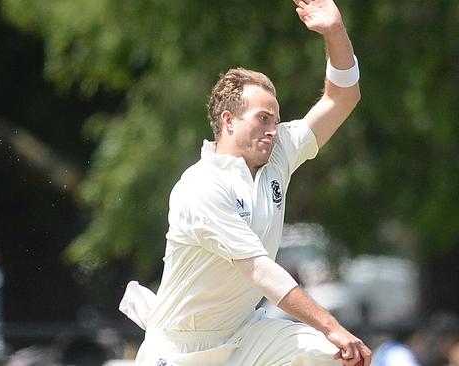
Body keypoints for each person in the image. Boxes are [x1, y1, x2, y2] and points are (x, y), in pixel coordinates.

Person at [121, 1, 370, 365]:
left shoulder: (278, 151)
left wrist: (335, 31)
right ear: (228, 120)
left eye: (277, 120)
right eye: (263, 119)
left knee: (339, 357)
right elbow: (258, 269)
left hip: (245, 333)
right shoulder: (201, 186)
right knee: (332, 337)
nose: (274, 131)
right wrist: (330, 324)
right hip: (180, 351)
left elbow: (342, 97)